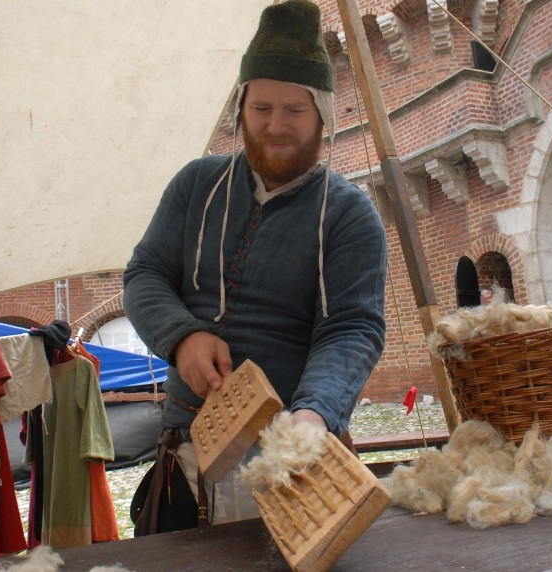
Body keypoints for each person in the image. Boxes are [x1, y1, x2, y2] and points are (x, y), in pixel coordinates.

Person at [122, 0, 387, 532]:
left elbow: (351, 328)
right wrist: (182, 337)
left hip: (291, 460)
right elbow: (144, 275)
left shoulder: (349, 214)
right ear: (242, 109)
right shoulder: (196, 183)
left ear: (322, 115)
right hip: (188, 450)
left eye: (295, 110)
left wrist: (313, 417)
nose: (276, 126)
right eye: (262, 108)